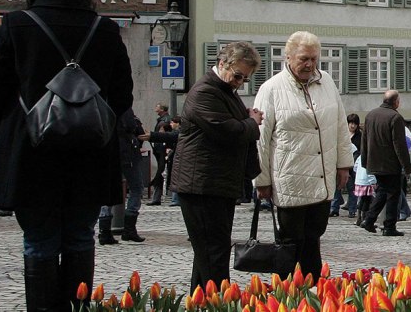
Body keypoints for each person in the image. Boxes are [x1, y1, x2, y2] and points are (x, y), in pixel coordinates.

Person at [0, 0, 133, 311]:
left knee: (38, 238)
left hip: (33, 151)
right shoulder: (105, 29)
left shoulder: (18, 24)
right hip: (90, 152)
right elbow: (123, 95)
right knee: (80, 235)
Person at [253, 31, 354, 280]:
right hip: (289, 178)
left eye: (313, 59)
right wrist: (261, 180)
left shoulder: (327, 82)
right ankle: (289, 291)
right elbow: (261, 139)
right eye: (303, 59)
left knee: (314, 237)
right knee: (290, 241)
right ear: (288, 58)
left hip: (321, 175)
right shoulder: (272, 89)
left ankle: (314, 290)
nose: (309, 64)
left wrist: (343, 165)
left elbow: (341, 125)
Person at [169, 42, 264, 292]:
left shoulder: (223, 90)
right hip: (202, 185)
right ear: (223, 64)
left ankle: (201, 301)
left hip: (215, 183)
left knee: (209, 254)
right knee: (213, 253)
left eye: (245, 78)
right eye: (238, 76)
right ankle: (218, 301)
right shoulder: (205, 91)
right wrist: (252, 122)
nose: (240, 82)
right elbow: (227, 130)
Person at [358, 91, 411, 237]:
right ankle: (389, 226)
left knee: (382, 191)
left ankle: (369, 220)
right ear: (395, 101)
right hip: (390, 164)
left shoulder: (370, 115)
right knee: (393, 194)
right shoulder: (395, 117)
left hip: (374, 162)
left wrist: (365, 161)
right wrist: (407, 167)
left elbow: (364, 140)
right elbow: (399, 145)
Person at [98, 110, 148, 245]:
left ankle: (104, 231)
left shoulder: (101, 109)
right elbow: (133, 126)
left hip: (108, 152)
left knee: (107, 190)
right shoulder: (124, 109)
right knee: (136, 188)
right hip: (127, 153)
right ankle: (129, 229)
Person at [331, 113, 361, 218]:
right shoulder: (342, 134)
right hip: (340, 163)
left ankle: (352, 209)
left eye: (355, 124)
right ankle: (334, 208)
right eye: (351, 123)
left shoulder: (359, 136)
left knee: (352, 187)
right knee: (336, 186)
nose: (352, 126)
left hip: (353, 164)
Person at [147, 104, 171, 206]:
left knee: (160, 172)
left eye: (157, 106)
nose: (155, 108)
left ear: (161, 109)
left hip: (162, 150)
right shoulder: (162, 119)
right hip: (159, 149)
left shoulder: (165, 120)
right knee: (160, 173)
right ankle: (156, 197)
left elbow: (164, 133)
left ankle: (158, 196)